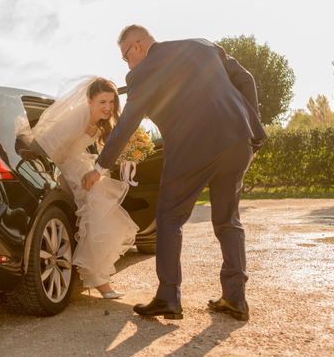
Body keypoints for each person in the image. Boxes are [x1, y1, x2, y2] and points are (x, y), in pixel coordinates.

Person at [82, 25, 267, 320]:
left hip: (192, 148)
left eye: (125, 56)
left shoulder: (141, 73)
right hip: (237, 140)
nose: (127, 64)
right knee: (228, 219)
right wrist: (253, 126)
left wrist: (100, 167)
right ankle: (235, 298)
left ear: (138, 46)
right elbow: (246, 79)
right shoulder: (203, 46)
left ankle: (168, 296)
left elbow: (127, 122)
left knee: (169, 217)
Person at [26, 77, 139, 298]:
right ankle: (98, 279)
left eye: (111, 101)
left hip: (81, 166)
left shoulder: (102, 122)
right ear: (89, 101)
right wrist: (64, 178)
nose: (108, 107)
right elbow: (48, 149)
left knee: (101, 213)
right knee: (99, 212)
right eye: (102, 102)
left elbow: (107, 151)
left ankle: (98, 277)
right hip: (65, 170)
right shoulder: (77, 118)